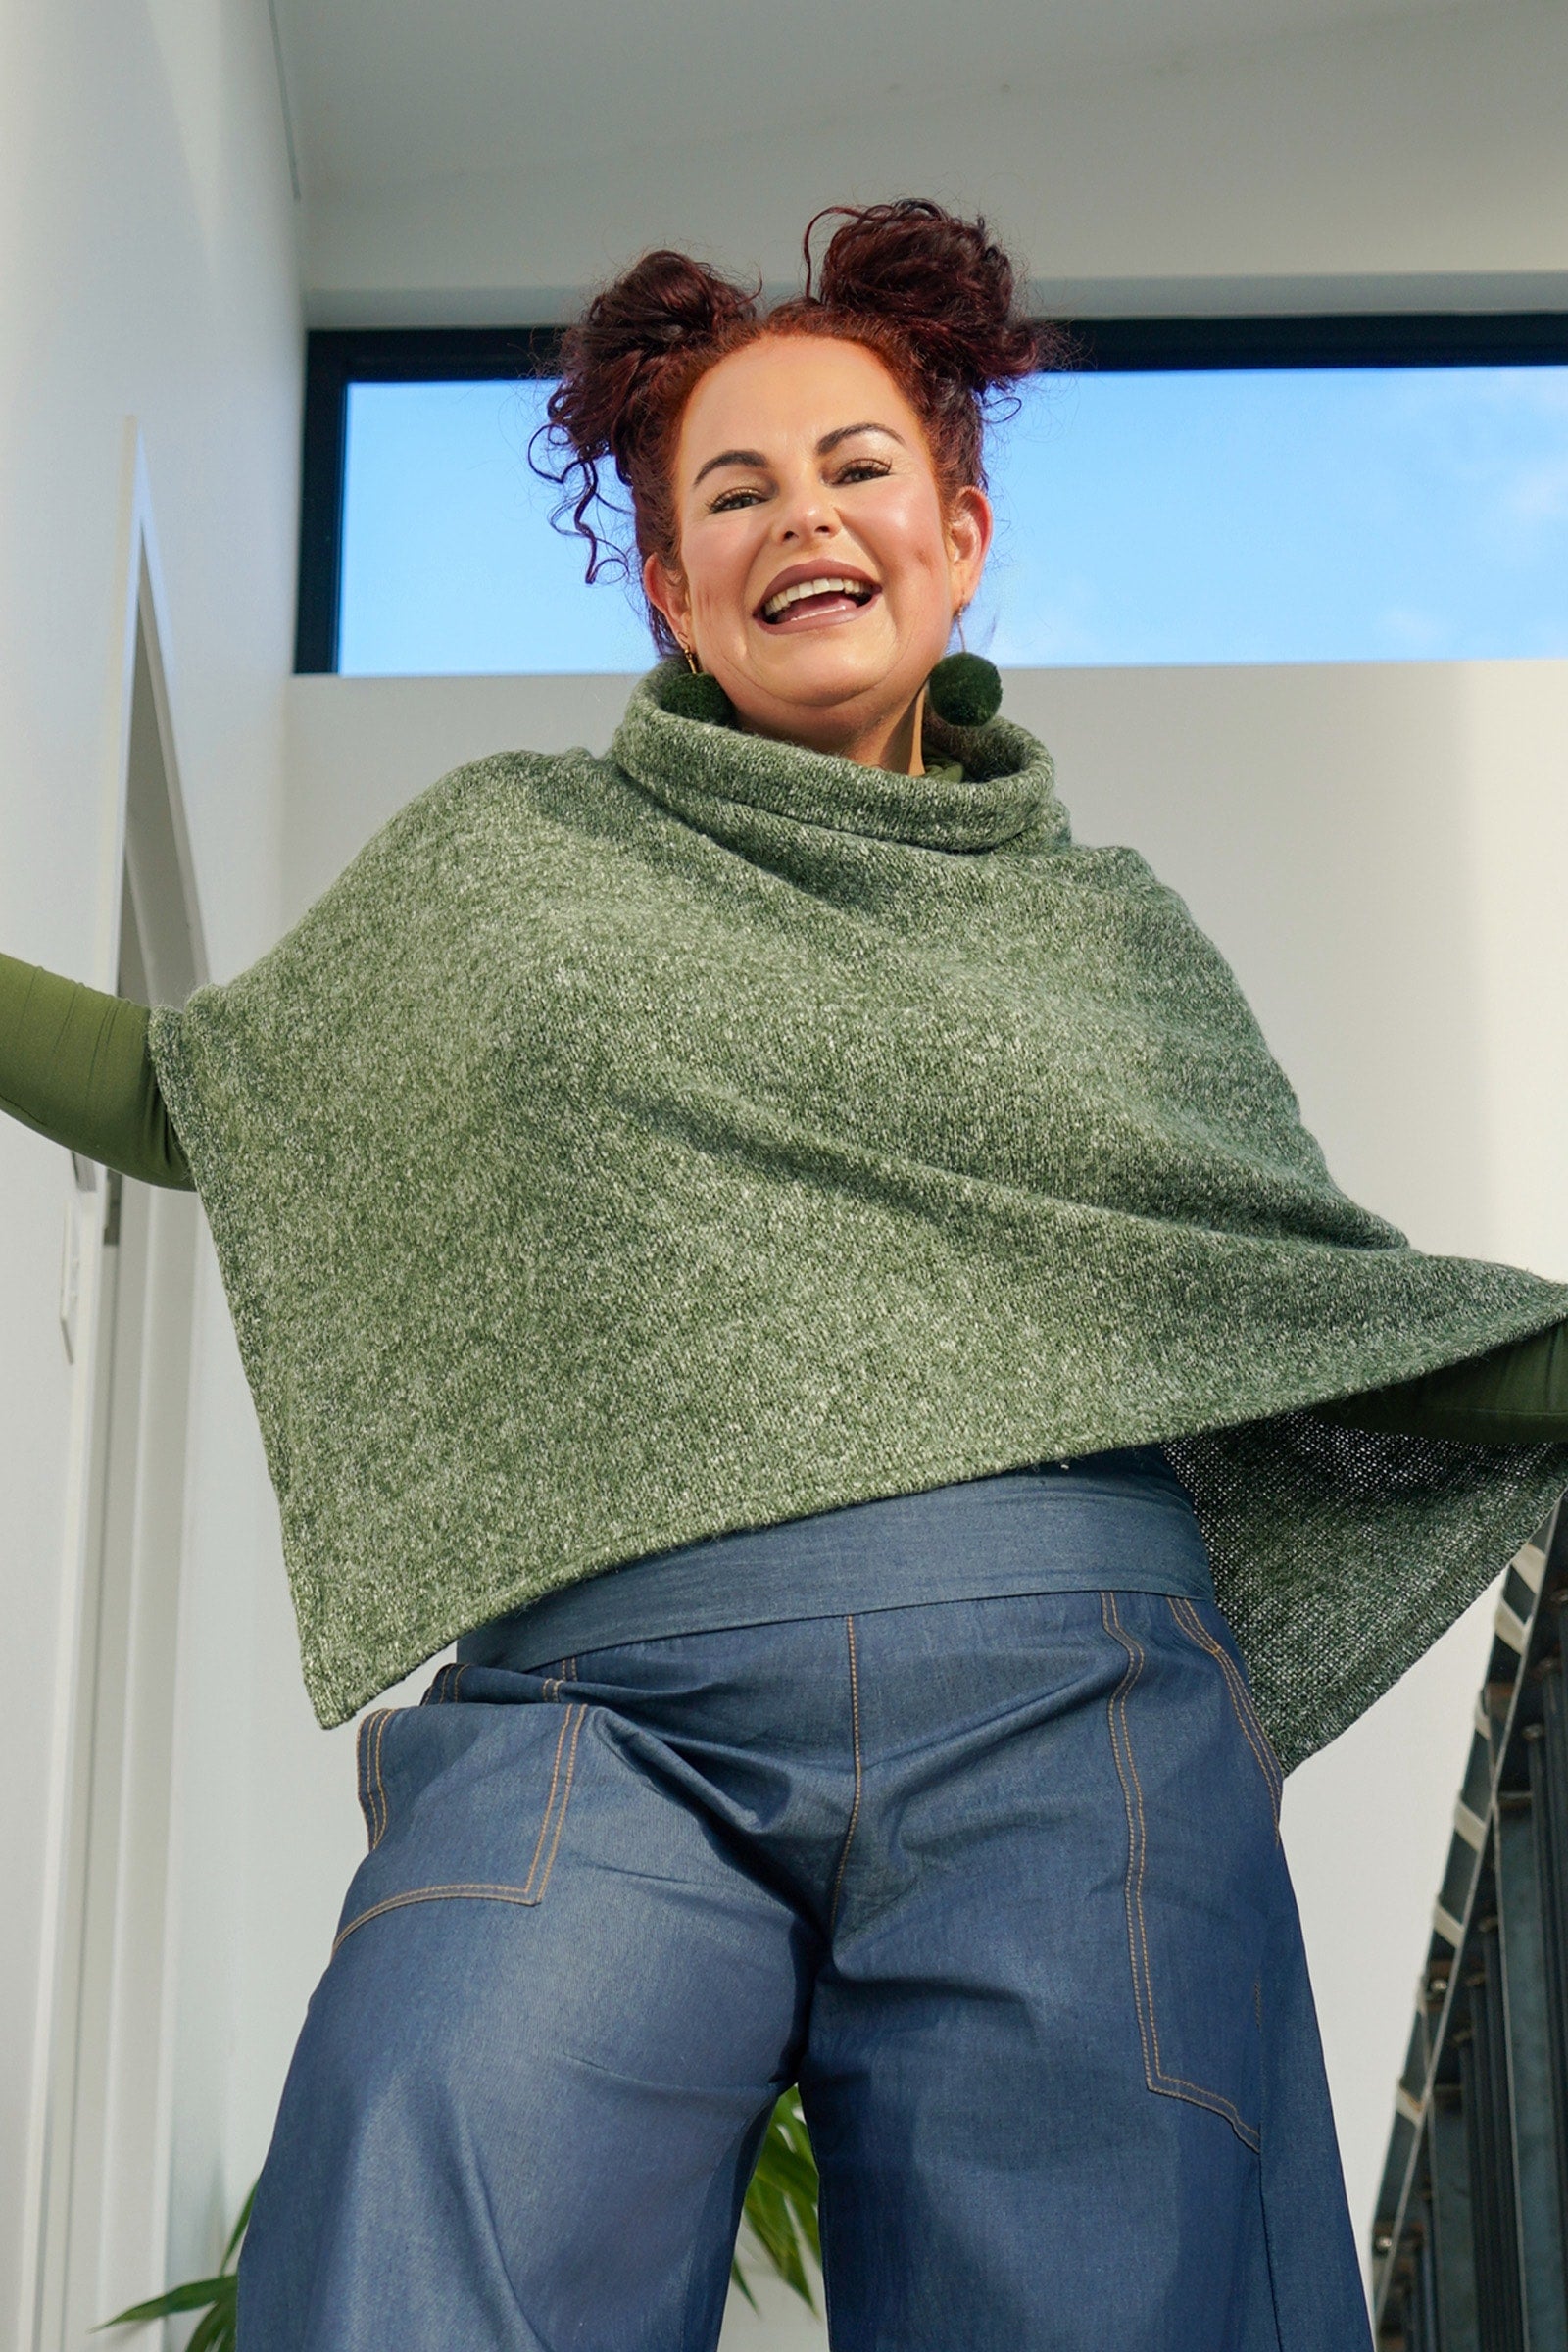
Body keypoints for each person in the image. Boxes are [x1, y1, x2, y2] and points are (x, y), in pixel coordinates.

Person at [5, 197, 1568, 2350]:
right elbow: (203, 1098)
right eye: (731, 491)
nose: (800, 517)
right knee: (420, 2146)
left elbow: (1303, 1319)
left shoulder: (1109, 937)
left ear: (956, 536)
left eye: (854, 468)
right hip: (604, 1703)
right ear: (669, 584)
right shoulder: (511, 862)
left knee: (1095, 2306)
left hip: (1073, 1704)